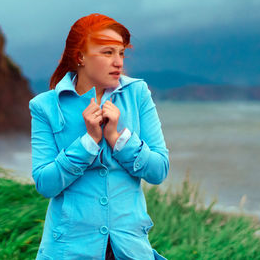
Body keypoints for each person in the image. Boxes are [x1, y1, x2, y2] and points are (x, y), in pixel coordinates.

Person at [29, 13, 169, 260]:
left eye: (121, 53)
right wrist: (87, 143)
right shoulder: (45, 106)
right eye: (107, 52)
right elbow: (45, 183)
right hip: (69, 250)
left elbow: (158, 171)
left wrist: (118, 137)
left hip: (130, 249)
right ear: (80, 56)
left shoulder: (138, 94)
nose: (118, 62)